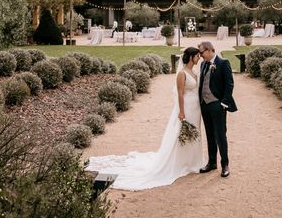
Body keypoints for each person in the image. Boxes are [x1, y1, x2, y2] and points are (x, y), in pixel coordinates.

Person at [86, 47, 204, 190]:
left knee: (194, 133)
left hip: (195, 109)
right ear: (191, 57)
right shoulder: (182, 73)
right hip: (186, 108)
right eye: (197, 56)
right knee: (181, 134)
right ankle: (179, 162)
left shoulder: (194, 73)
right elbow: (180, 94)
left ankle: (192, 162)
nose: (199, 58)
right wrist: (181, 112)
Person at [198, 41, 237, 178]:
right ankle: (212, 162)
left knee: (220, 135)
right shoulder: (203, 64)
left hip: (217, 105)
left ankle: (225, 164)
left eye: (201, 52)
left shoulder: (223, 62)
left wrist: (223, 103)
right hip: (205, 105)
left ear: (209, 50)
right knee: (209, 134)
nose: (200, 55)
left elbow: (229, 84)